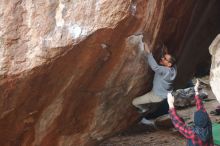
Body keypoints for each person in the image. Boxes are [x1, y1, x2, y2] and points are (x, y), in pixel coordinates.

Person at [132, 39, 177, 117]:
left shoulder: (164, 70)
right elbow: (171, 62)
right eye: (164, 57)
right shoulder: (174, 69)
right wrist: (166, 52)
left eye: (164, 59)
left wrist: (148, 53)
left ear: (169, 64)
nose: (162, 58)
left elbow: (155, 67)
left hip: (155, 95)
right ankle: (150, 106)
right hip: (164, 94)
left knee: (134, 102)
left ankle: (144, 109)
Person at [168, 79, 213, 146]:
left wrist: (170, 104)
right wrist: (196, 91)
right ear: (207, 119)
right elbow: (201, 108)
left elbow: (177, 123)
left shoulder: (191, 133)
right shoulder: (209, 126)